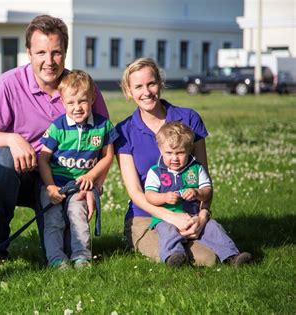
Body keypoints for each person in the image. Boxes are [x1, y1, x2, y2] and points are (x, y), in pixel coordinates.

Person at [0, 15, 109, 268]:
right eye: (41, 52)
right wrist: (12, 138)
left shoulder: (83, 89)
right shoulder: (8, 84)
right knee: (1, 159)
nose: (49, 61)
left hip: (65, 180)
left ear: (65, 52)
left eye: (56, 52)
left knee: (63, 254)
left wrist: (93, 187)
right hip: (22, 175)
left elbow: (102, 145)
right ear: (29, 52)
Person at [114, 57, 218, 266]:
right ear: (129, 91)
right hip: (147, 217)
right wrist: (170, 217)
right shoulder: (124, 131)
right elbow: (135, 192)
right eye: (138, 87)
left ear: (160, 83)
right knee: (196, 258)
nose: (147, 92)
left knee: (213, 256)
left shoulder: (188, 118)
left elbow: (203, 177)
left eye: (151, 83)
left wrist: (203, 215)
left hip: (189, 213)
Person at [38, 70, 117, 269]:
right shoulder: (58, 127)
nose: (77, 108)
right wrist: (49, 187)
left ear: (92, 99)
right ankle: (56, 259)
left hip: (80, 186)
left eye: (82, 101)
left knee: (78, 216)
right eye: (71, 103)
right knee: (54, 221)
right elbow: (43, 159)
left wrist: (92, 176)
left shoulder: (103, 126)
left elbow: (108, 156)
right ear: (63, 103)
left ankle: (82, 257)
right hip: (55, 184)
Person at [144, 121, 251, 266]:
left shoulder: (196, 169)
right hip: (166, 218)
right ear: (161, 149)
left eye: (180, 153)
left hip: (194, 217)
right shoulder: (156, 172)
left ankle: (232, 256)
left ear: (189, 150)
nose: (174, 158)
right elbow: (149, 195)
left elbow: (208, 191)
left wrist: (197, 193)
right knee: (168, 232)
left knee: (213, 227)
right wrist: (164, 197)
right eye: (169, 153)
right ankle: (174, 256)